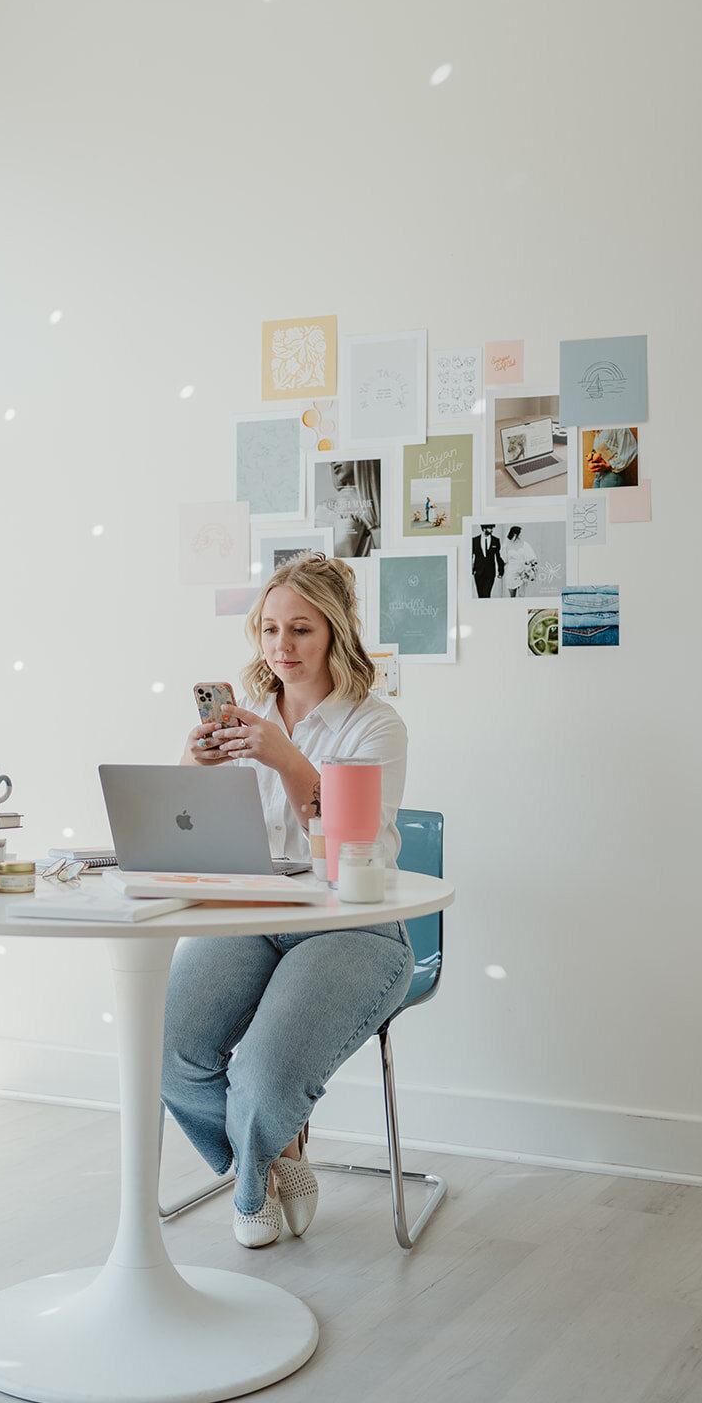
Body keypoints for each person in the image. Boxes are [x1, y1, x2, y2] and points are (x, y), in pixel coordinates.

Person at [162, 555, 413, 1249]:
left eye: (300, 629)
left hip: (353, 925)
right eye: (269, 629)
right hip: (251, 918)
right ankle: (278, 1155)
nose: (281, 647)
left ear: (334, 633)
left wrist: (285, 757)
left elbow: (353, 840)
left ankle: (249, 1186)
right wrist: (192, 770)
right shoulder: (244, 723)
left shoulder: (373, 724)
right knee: (170, 1046)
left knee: (265, 1077)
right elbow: (191, 840)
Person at [502, 524, 537, 597]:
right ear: (516, 534)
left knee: (521, 595)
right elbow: (504, 560)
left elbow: (531, 557)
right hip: (511, 572)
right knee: (512, 596)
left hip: (522, 572)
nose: (522, 535)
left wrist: (531, 566)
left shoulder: (525, 544)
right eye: (520, 533)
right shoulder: (506, 545)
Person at [472, 523, 504, 597]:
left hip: (490, 572)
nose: (492, 530)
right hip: (478, 572)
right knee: (480, 595)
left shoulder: (495, 540)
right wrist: (471, 569)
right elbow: (470, 556)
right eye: (490, 528)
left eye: (492, 528)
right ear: (484, 529)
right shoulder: (474, 540)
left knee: (486, 594)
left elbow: (499, 557)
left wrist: (501, 571)